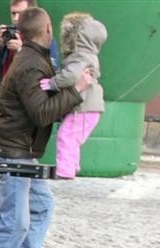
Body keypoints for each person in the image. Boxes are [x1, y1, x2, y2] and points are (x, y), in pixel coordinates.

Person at [0, 7, 93, 248]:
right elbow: (41, 113)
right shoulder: (30, 64)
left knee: (41, 206)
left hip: (21, 149)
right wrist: (77, 90)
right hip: (10, 150)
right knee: (15, 220)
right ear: (48, 28)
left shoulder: (36, 58)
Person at [40, 12, 107, 178]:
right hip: (88, 107)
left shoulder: (80, 56)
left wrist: (53, 82)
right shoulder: (90, 55)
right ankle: (72, 166)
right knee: (73, 137)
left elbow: (72, 75)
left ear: (76, 37)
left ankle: (65, 170)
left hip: (83, 107)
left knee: (66, 136)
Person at [0, 0, 58, 128]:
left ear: (32, 14)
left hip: (23, 112)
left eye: (21, 13)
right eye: (13, 13)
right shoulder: (9, 36)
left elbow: (48, 76)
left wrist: (22, 50)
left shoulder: (45, 41)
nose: (16, 18)